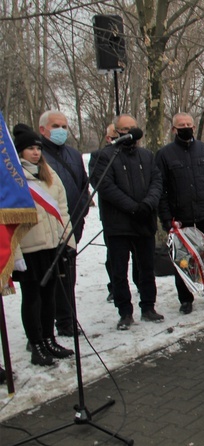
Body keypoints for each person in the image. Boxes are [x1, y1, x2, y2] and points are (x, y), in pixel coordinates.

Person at [89, 114, 164, 331]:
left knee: (147, 267)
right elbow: (105, 187)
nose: (130, 132)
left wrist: (147, 204)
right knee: (119, 270)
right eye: (125, 129)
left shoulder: (147, 156)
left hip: (144, 220)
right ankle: (125, 312)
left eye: (133, 127)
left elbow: (157, 181)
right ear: (116, 132)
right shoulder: (104, 156)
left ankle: (148, 306)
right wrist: (132, 207)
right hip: (118, 224)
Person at [11, 124, 75, 366]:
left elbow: (62, 210)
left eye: (38, 148)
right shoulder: (13, 179)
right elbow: (9, 222)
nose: (36, 152)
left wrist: (68, 240)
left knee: (50, 296)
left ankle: (49, 339)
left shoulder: (48, 174)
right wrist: (15, 254)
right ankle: (36, 344)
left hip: (51, 245)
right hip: (28, 249)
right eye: (30, 148)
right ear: (20, 152)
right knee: (32, 298)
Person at [155, 112, 204, 315]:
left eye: (189, 124)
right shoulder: (165, 155)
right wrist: (166, 219)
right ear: (174, 129)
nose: (186, 127)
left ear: (194, 127)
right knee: (183, 260)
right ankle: (185, 298)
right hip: (180, 218)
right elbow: (161, 190)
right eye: (181, 125)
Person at [38, 110, 90, 337]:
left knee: (68, 276)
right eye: (55, 125)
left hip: (72, 225)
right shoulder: (36, 155)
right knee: (47, 279)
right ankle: (43, 328)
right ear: (43, 129)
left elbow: (83, 185)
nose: (61, 130)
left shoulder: (73, 154)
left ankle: (67, 320)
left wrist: (81, 213)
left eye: (64, 126)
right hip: (45, 228)